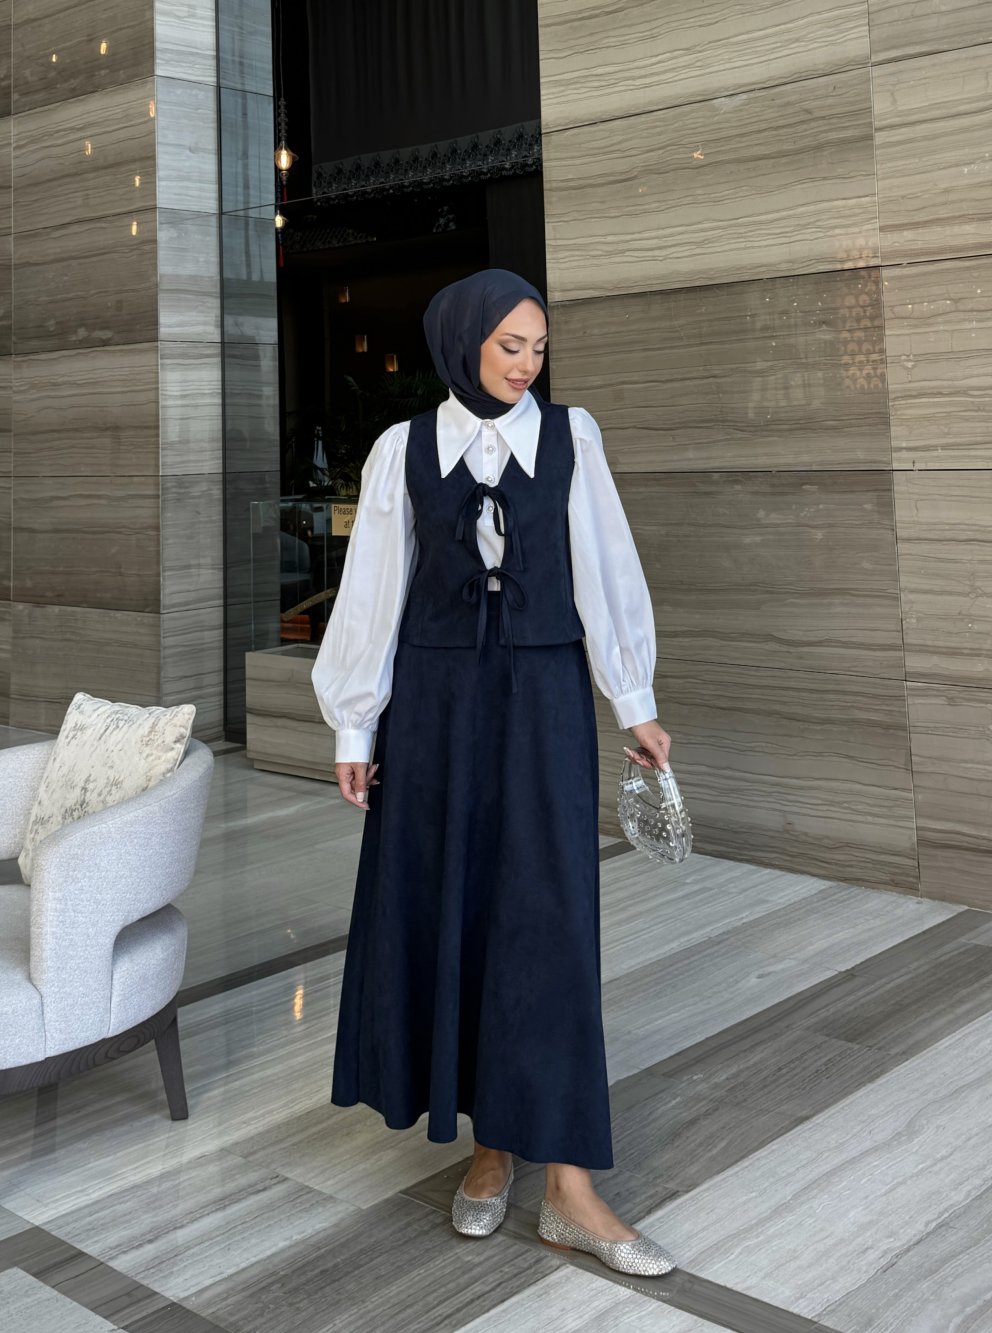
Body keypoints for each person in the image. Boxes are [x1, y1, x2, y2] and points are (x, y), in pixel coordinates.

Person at [311, 268, 676, 1276]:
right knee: (457, 914)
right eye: (510, 344)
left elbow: (605, 568)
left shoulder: (571, 437)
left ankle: (569, 1187)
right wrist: (354, 726)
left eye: (538, 348)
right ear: (463, 341)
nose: (527, 364)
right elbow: (372, 591)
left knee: (547, 921)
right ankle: (489, 1145)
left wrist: (632, 698)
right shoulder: (401, 450)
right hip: (432, 713)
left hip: (542, 702)